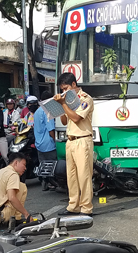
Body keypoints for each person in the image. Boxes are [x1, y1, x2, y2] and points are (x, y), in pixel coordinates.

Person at [55, 72, 95, 217]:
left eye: (66, 88)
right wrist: (59, 108)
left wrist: (63, 104)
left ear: (74, 84)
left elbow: (77, 118)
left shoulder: (85, 98)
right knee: (71, 176)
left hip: (82, 140)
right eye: (62, 90)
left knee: (84, 175)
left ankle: (86, 208)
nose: (64, 92)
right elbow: (66, 121)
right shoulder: (68, 101)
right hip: (70, 140)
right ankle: (73, 206)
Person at [0, 153, 30, 223]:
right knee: (22, 186)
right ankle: (17, 218)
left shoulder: (0, 172)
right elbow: (11, 197)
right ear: (16, 163)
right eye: (24, 165)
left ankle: (0, 219)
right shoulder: (13, 174)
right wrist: (26, 214)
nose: (25, 168)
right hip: (1, 215)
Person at [33, 91, 57, 162]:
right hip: (49, 146)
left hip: (39, 145)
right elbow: (51, 130)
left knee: (43, 168)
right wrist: (56, 141)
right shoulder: (47, 111)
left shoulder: (37, 112)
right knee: (52, 167)